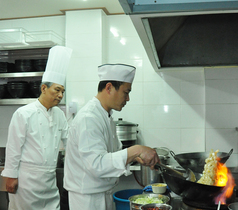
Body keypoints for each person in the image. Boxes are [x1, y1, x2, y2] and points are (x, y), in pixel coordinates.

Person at [64, 63, 160, 210]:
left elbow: (113, 154)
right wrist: (136, 150)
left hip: (102, 193)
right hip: (88, 200)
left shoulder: (106, 116)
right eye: (126, 92)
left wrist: (135, 157)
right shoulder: (88, 118)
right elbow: (97, 164)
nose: (127, 98)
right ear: (109, 88)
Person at [1, 46, 72, 210]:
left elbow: (70, 141)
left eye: (63, 91)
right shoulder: (24, 113)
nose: (61, 95)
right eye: (57, 90)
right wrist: (10, 176)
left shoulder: (59, 115)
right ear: (44, 88)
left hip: (49, 181)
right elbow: (13, 147)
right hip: (27, 181)